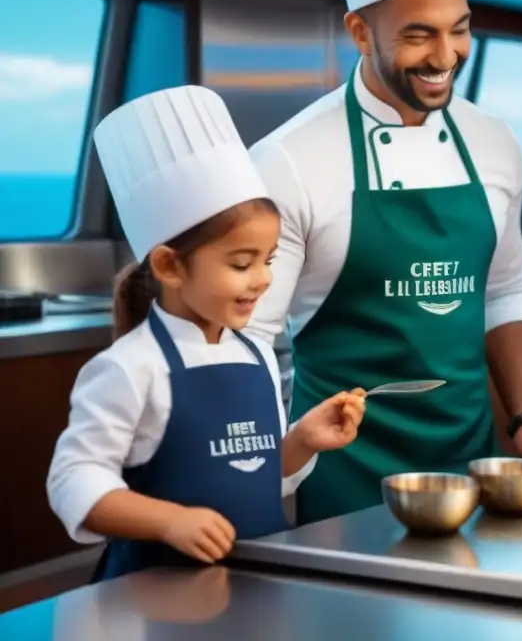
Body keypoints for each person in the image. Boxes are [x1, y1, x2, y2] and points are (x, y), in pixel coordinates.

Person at [246, 0, 522, 524]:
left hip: (468, 462)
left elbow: (504, 290)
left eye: (460, 29)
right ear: (360, 32)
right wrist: (259, 476)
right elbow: (247, 340)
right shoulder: (290, 159)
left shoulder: (494, 142)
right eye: (419, 34)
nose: (446, 55)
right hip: (344, 471)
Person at [46, 86, 366, 582]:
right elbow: (72, 482)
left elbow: (253, 474)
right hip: (155, 596)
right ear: (170, 266)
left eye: (269, 260)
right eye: (241, 263)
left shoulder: (256, 354)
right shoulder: (130, 368)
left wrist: (301, 441)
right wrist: (169, 521)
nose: (262, 279)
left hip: (255, 587)